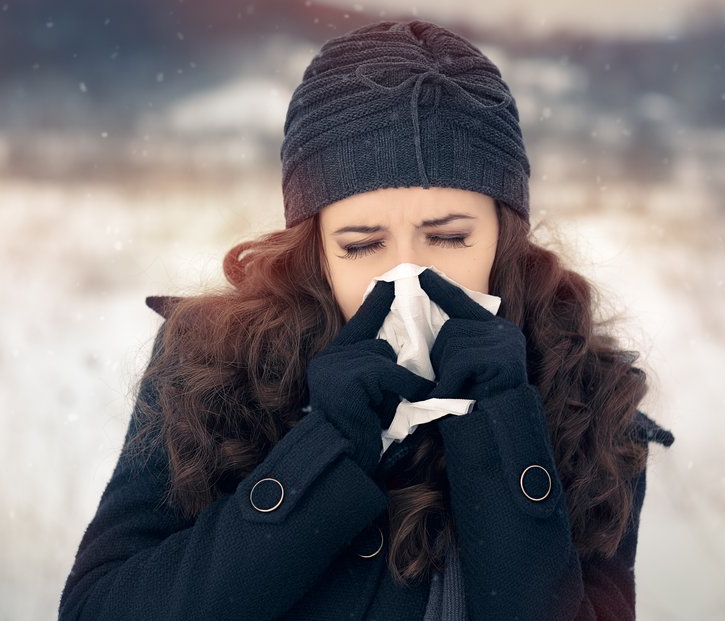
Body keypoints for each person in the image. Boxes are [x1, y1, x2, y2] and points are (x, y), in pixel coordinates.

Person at [58, 19, 674, 621]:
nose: (407, 277)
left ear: (502, 237)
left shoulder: (587, 400)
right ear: (318, 249)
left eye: (449, 237)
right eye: (361, 245)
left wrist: (502, 431)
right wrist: (323, 451)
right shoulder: (212, 367)